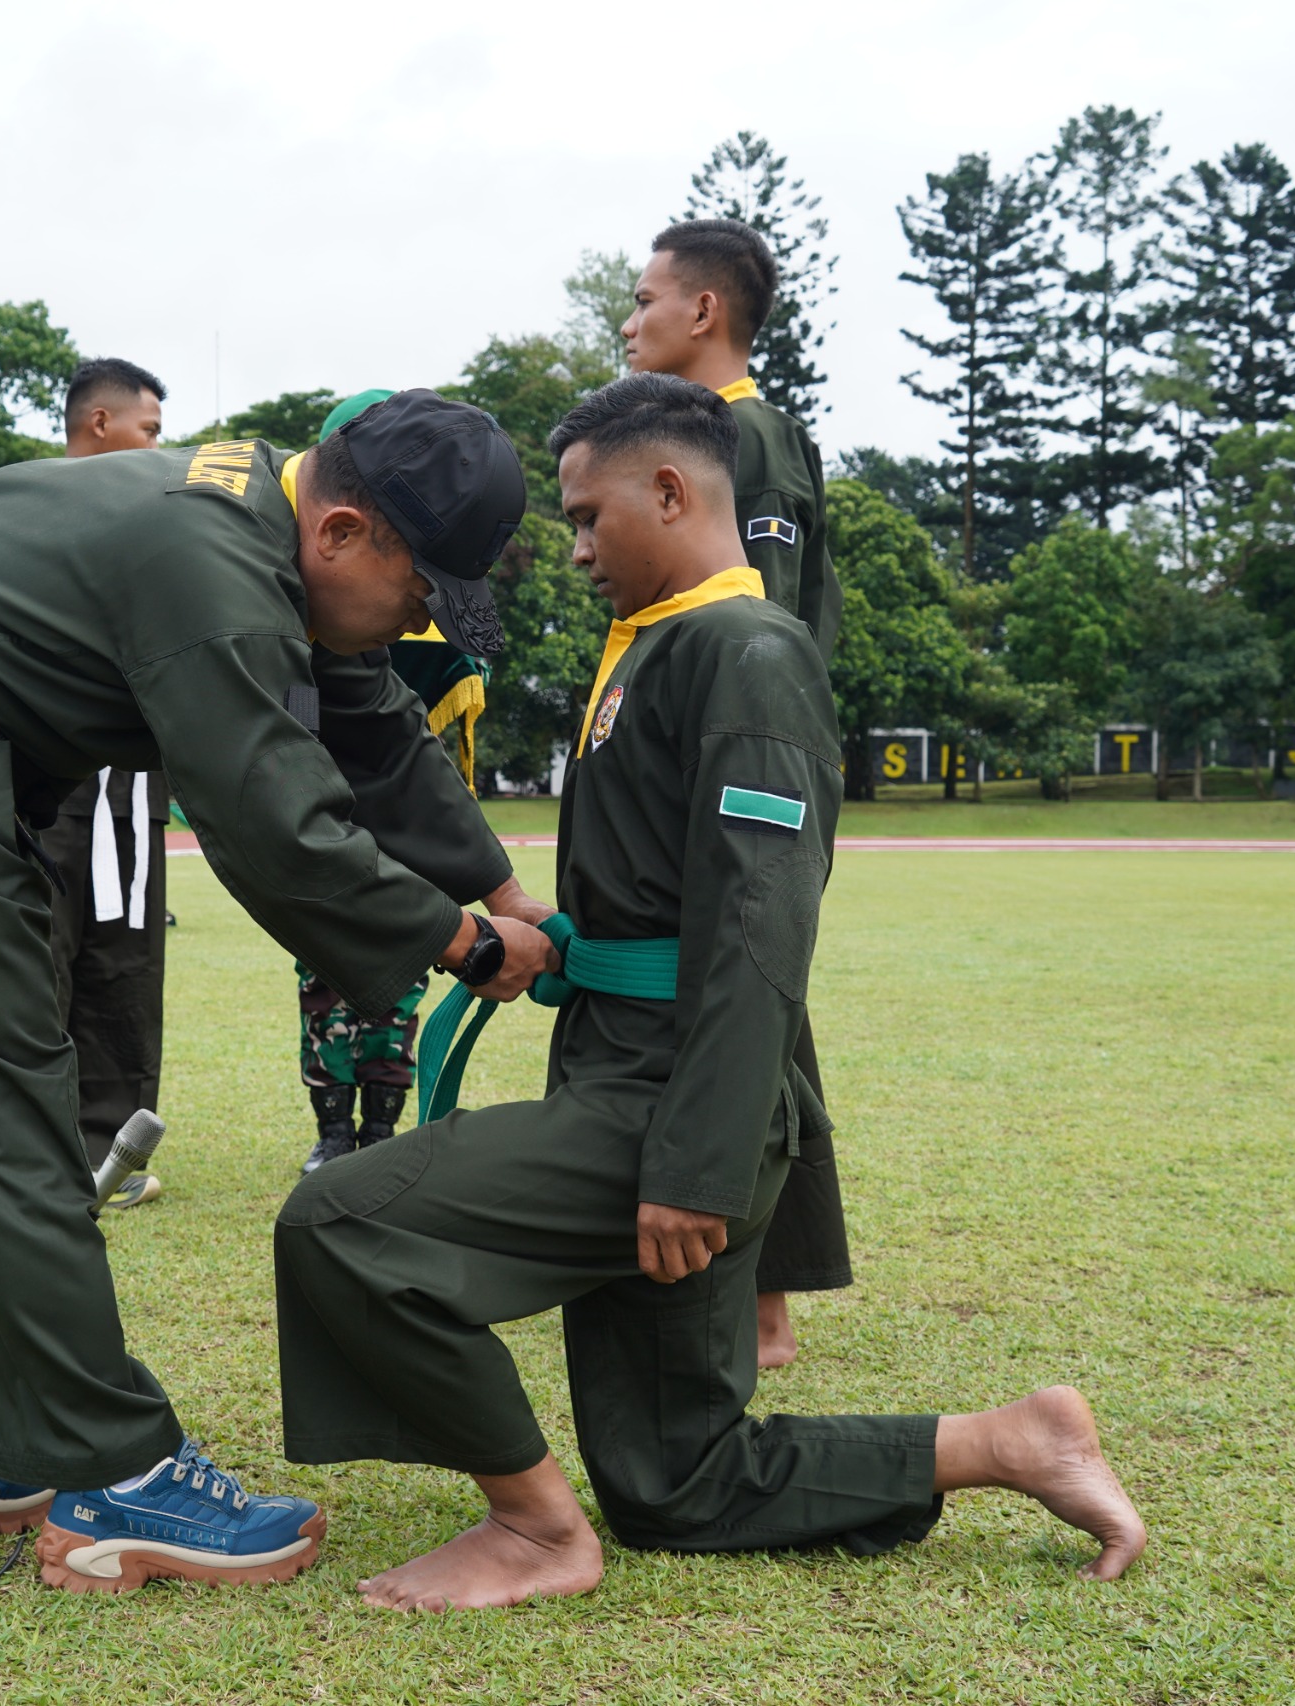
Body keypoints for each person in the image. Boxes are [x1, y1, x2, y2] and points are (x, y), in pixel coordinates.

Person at [272, 375, 1146, 1612]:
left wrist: (697, 1162)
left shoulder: (747, 653)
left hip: (670, 1105)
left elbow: (758, 932)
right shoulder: (661, 643)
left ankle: (531, 1532)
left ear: (672, 490)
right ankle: (1012, 1439)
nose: (576, 550)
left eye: (589, 517)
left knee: (342, 1224)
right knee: (672, 1480)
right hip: (623, 1068)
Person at [0, 390, 560, 1588]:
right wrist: (464, 944)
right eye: (419, 593)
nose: (416, 621)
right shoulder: (217, 577)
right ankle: (117, 1471)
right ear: (343, 532)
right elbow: (275, 824)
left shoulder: (271, 523)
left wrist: (501, 886)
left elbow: (373, 725)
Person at [620, 216, 847, 1368]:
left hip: (736, 769)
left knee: (755, 1012)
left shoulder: (746, 436)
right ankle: (746, 1291)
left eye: (644, 298)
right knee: (733, 1005)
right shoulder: (698, 436)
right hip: (693, 763)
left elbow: (767, 625)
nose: (629, 321)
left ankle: (764, 1303)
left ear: (702, 310)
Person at [294, 389, 496, 1175]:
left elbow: (409, 739)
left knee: (401, 990)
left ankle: (379, 1131)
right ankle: (333, 1131)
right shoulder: (296, 592)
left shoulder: (418, 596)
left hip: (403, 837)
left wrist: (496, 890)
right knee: (323, 988)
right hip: (327, 821)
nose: (413, 619)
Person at [44, 358, 176, 1206]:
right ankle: (30, 1144)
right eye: (150, 430)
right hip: (46, 780)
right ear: (101, 422)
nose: (159, 447)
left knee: (125, 967)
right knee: (38, 961)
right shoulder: (30, 510)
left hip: (127, 789)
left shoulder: (156, 521)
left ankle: (109, 1151)